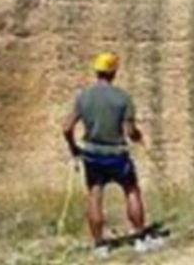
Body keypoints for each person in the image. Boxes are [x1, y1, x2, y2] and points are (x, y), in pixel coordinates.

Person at [62, 52, 162, 257]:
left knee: (95, 195)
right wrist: (138, 136)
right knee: (131, 190)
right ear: (114, 72)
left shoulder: (83, 96)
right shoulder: (123, 97)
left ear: (96, 71)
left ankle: (100, 245)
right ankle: (140, 238)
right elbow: (130, 131)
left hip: (92, 154)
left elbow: (66, 127)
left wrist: (73, 147)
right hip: (117, 154)